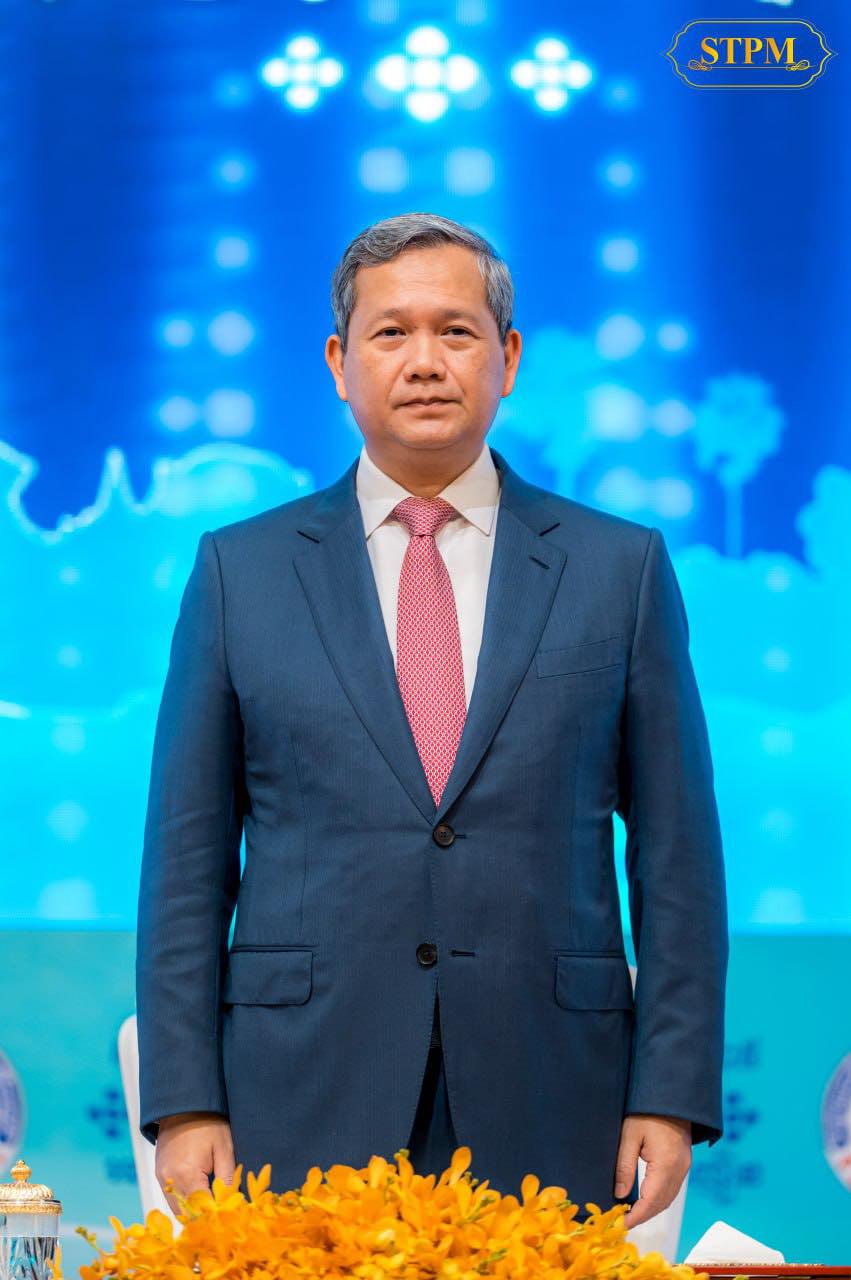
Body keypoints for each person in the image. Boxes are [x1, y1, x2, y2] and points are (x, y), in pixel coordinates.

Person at [136, 212, 727, 1230]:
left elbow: (677, 857)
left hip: (552, 1084)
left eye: (455, 331)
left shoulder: (617, 569)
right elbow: (187, 860)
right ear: (339, 362)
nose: (423, 362)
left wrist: (668, 1093)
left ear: (507, 358)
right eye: (389, 332)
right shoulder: (239, 572)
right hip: (301, 1084)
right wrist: (187, 1102)